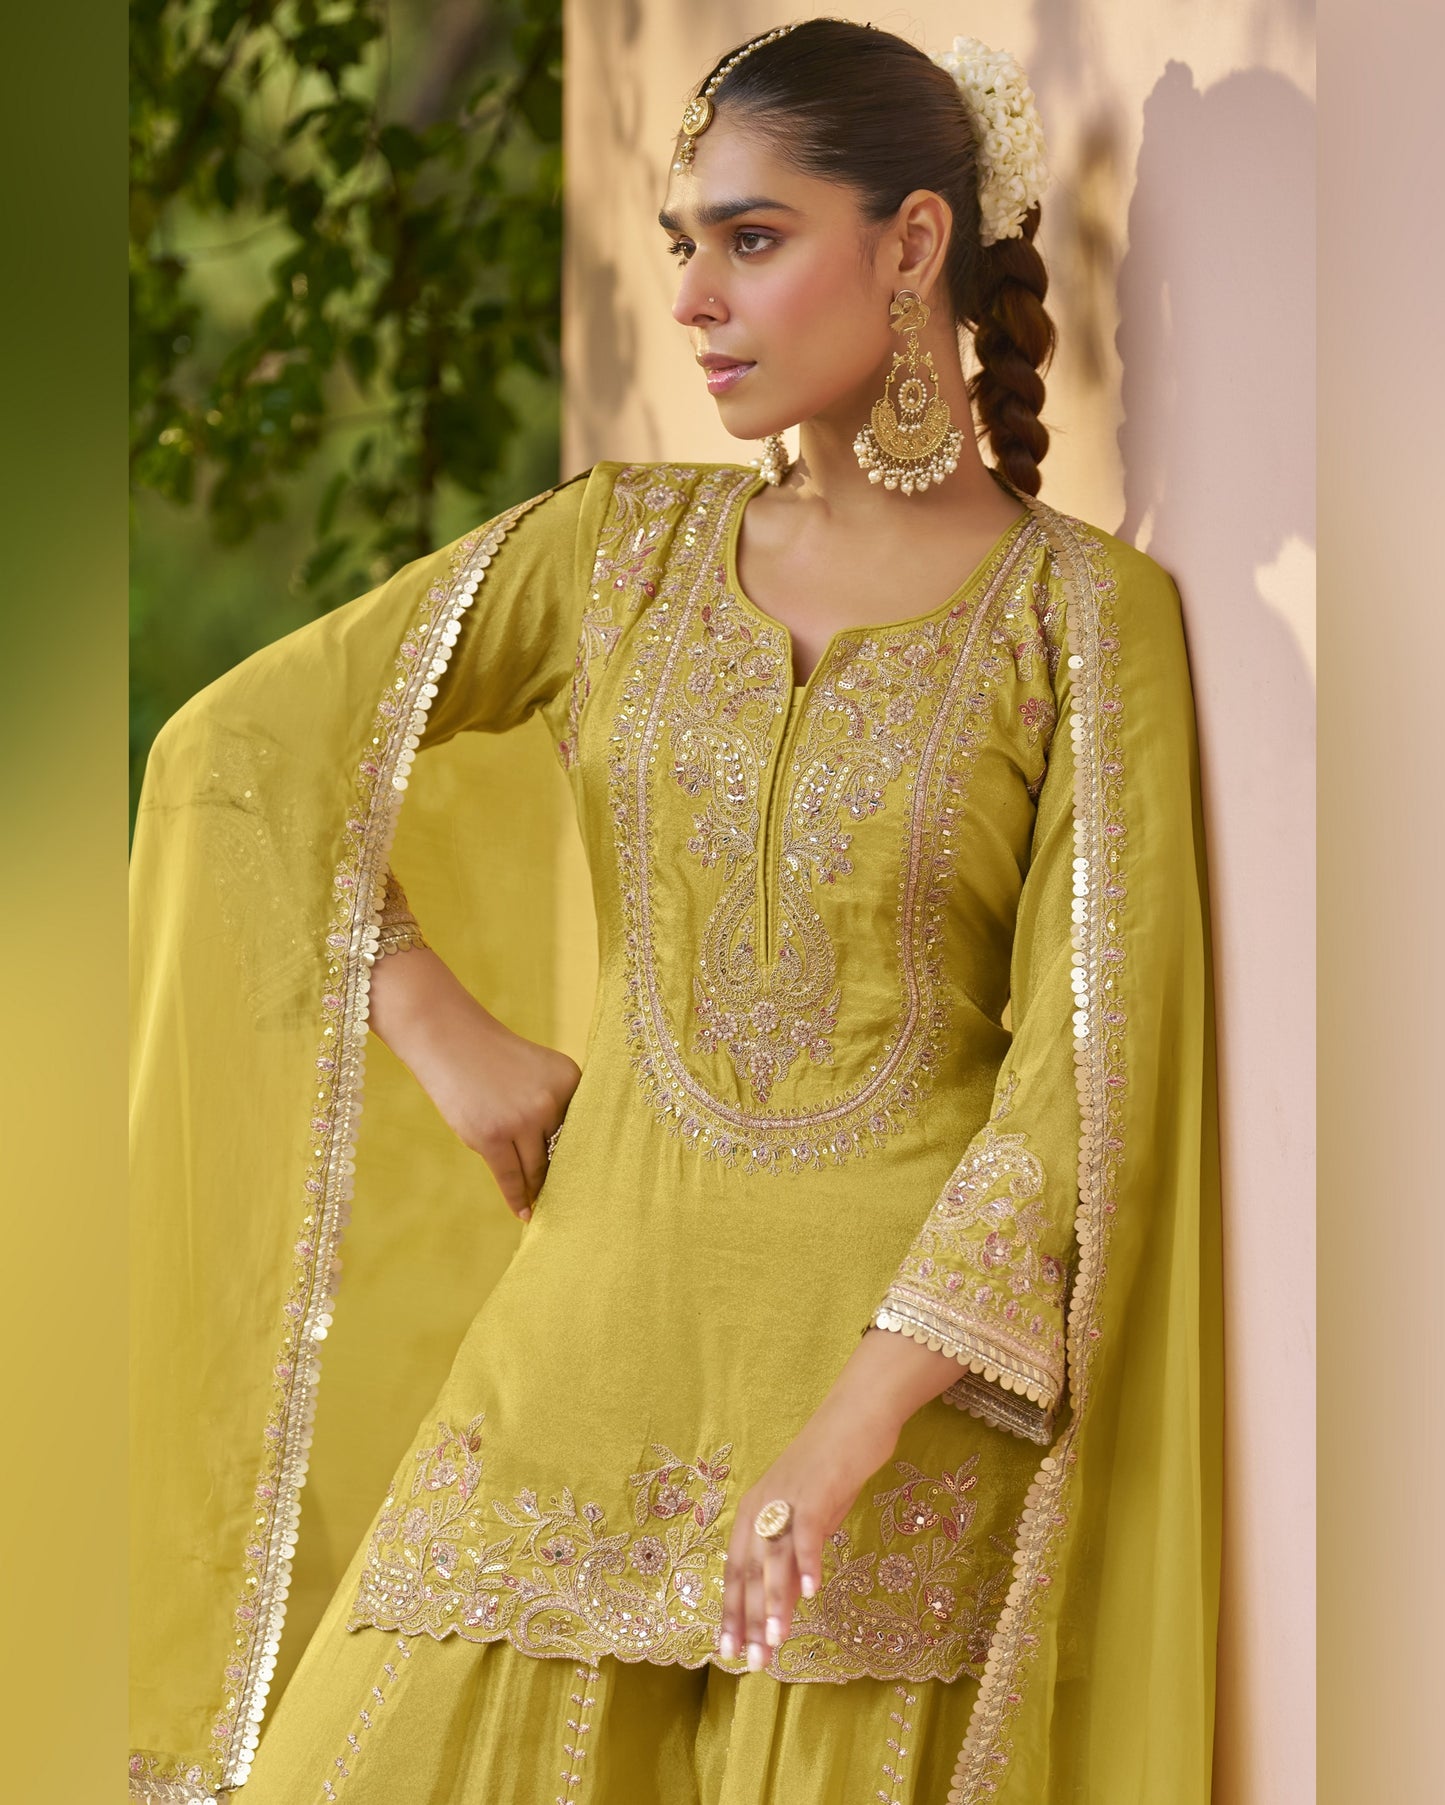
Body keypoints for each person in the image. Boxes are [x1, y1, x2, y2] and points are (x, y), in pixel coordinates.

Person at [129, 19, 1222, 1805]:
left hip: (885, 1464)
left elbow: (1077, 1086)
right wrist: (439, 1024)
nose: (698, 297)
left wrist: (846, 1437)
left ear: (914, 243)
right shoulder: (611, 553)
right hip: (575, 1376)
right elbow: (237, 759)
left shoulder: (1081, 628)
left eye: (753, 237)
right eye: (681, 247)